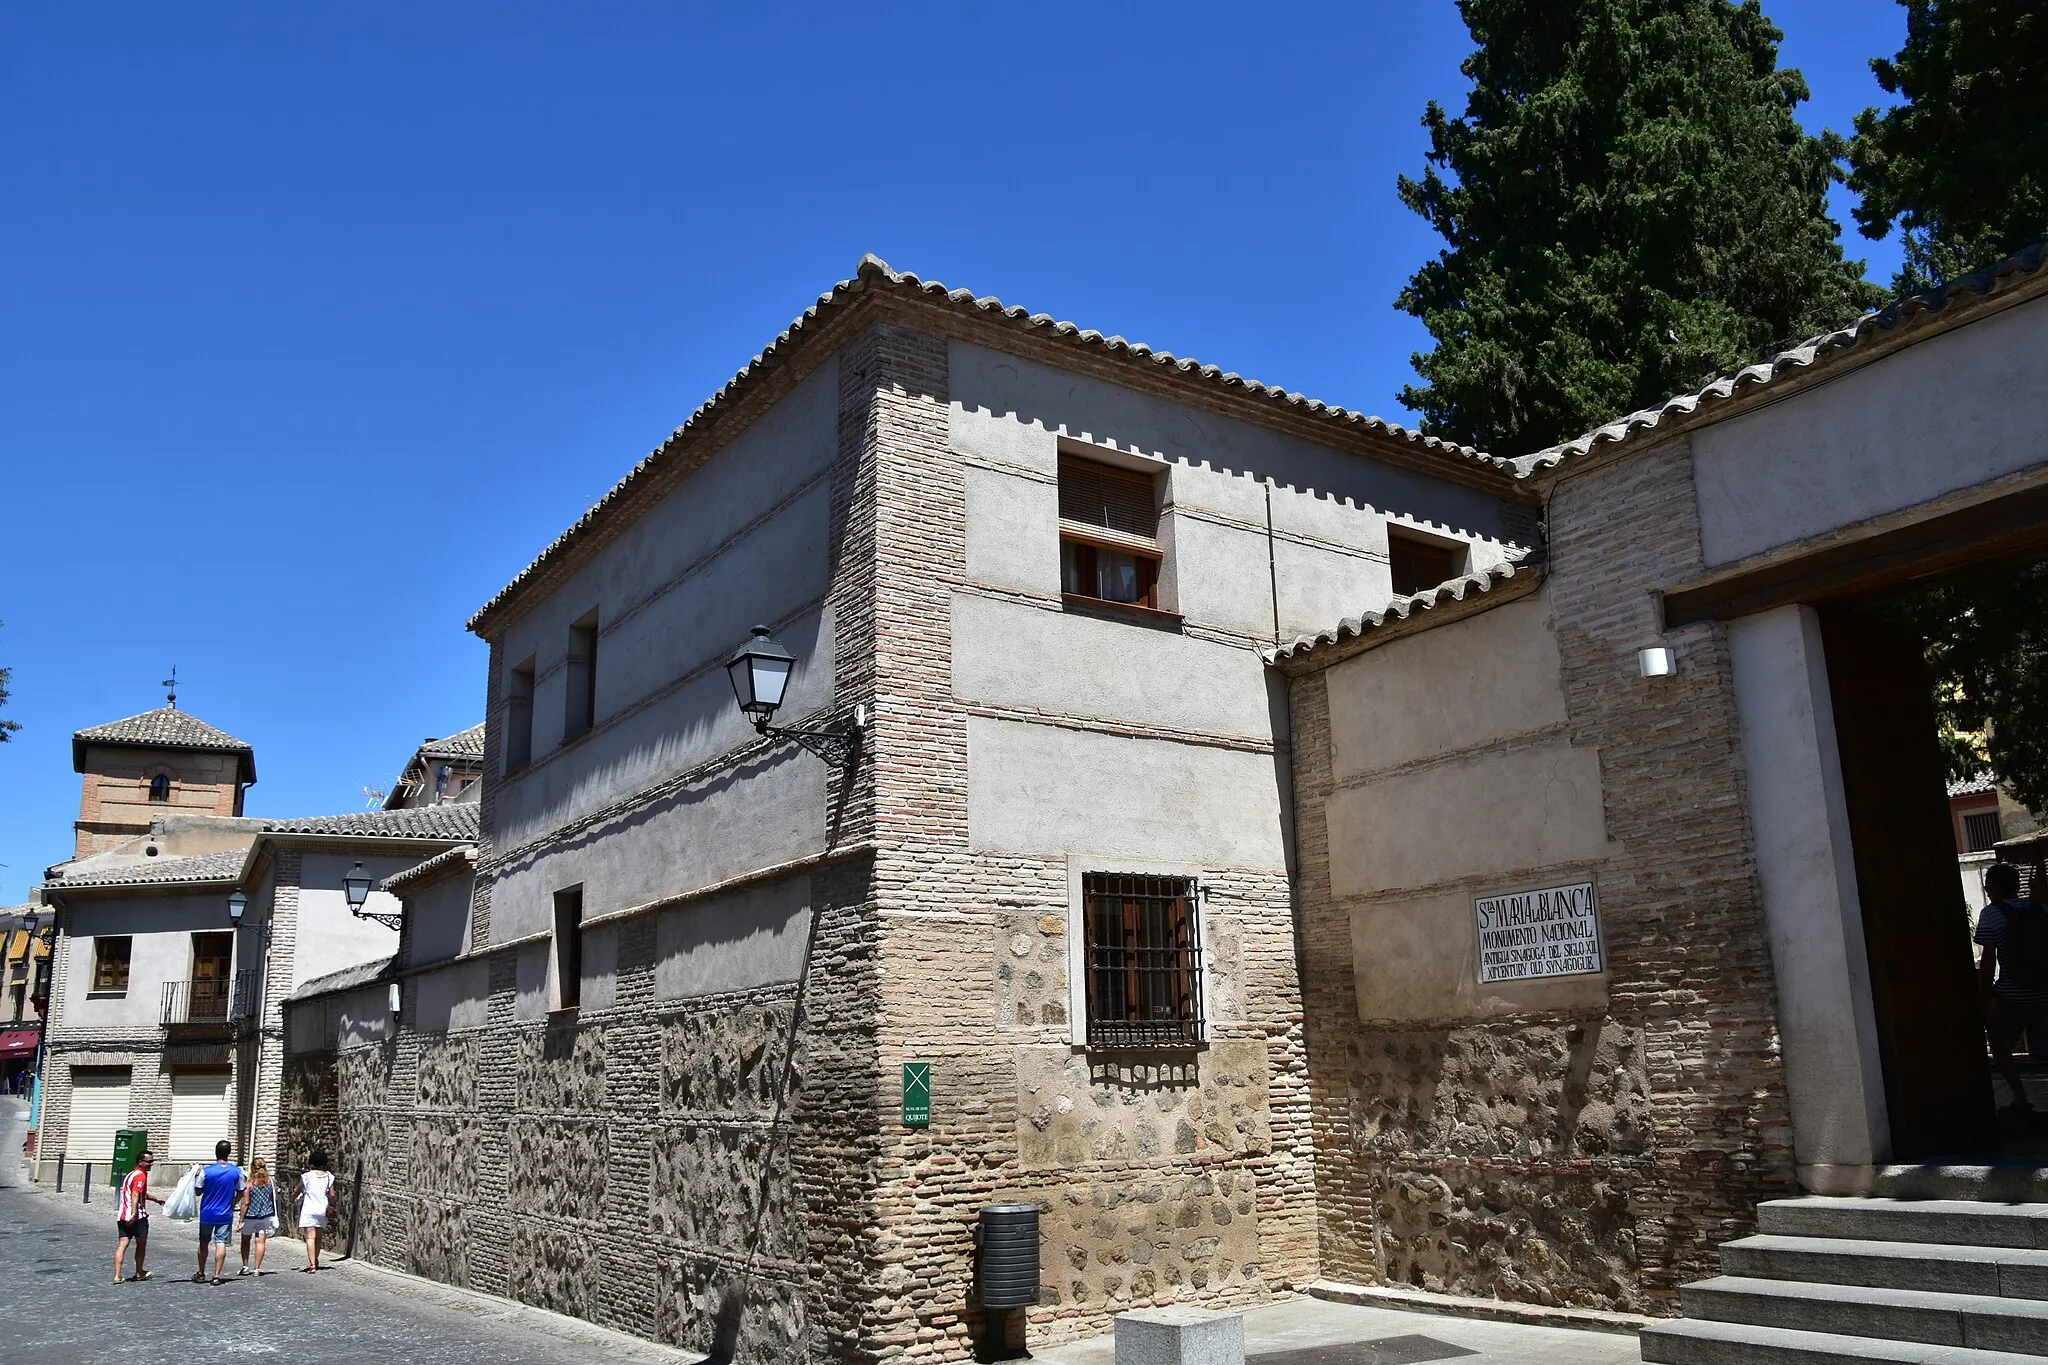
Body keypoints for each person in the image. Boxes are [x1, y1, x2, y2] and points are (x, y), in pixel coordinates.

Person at [1976, 862, 2048, 1114]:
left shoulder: (1991, 914)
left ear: (1995, 887)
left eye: (1987, 886)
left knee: (1998, 1043)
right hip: (2044, 991)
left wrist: (1986, 994)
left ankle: (2019, 1097)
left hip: (2012, 994)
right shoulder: (2041, 909)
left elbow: (1988, 959)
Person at [193, 1140, 246, 1285]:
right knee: (221, 1242)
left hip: (207, 1212)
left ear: (216, 1152)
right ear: (229, 1153)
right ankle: (217, 1276)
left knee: (203, 1243)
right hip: (225, 1213)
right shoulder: (237, 1171)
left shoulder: (206, 1171)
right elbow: (242, 1191)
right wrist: (233, 1203)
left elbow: (197, 1191)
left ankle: (202, 1272)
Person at [113, 1150, 162, 1283]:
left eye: (152, 1161)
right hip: (137, 1217)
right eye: (149, 1162)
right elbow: (135, 1194)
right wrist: (134, 1213)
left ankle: (117, 1275)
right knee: (141, 1244)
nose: (152, 1164)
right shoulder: (141, 1176)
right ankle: (139, 1271)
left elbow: (141, 1194)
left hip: (122, 1215)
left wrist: (156, 1199)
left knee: (122, 1244)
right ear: (140, 1162)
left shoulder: (131, 1174)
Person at [237, 1157, 277, 1276]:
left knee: (245, 1240)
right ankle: (257, 1269)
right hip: (265, 1215)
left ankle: (245, 1266)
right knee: (260, 1242)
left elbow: (246, 1202)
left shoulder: (249, 1183)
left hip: (250, 1216)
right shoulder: (271, 1181)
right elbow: (274, 1198)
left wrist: (241, 1219)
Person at [297, 1151, 334, 1272]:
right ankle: (316, 1260)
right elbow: (332, 1194)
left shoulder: (307, 1176)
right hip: (322, 1208)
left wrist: (294, 1196)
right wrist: (334, 1205)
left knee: (310, 1237)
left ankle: (312, 1263)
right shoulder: (329, 1176)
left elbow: (299, 1189)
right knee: (318, 1237)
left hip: (309, 1208)